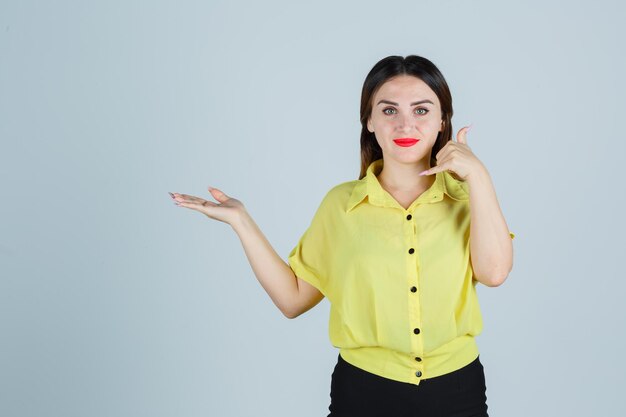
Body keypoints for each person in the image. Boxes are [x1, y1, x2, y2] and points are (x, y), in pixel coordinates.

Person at [169, 55, 515, 417]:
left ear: (443, 119)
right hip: (364, 392)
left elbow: (494, 273)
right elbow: (293, 300)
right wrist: (241, 221)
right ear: (369, 120)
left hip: (456, 390)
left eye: (422, 110)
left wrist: (478, 176)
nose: (405, 124)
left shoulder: (467, 197)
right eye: (389, 110)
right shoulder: (342, 205)